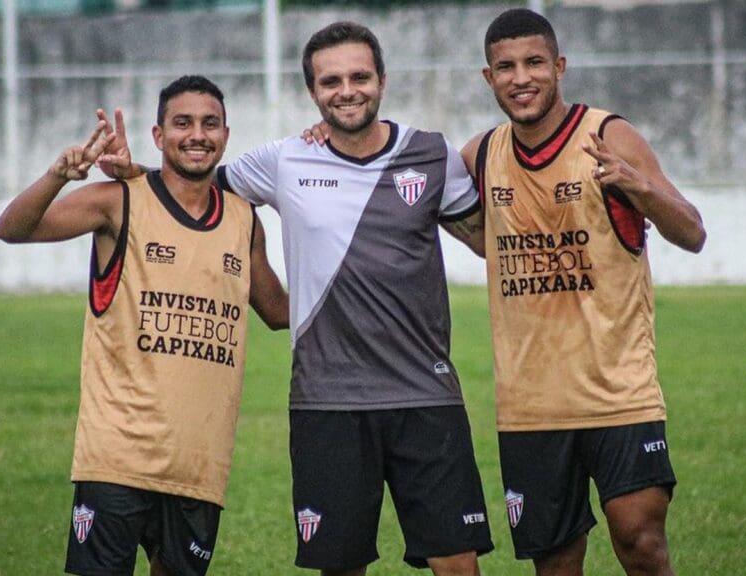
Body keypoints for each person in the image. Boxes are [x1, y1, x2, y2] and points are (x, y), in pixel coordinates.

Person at [97, 22, 493, 576]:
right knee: (339, 566)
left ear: (382, 80)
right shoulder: (285, 160)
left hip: (425, 395)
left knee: (458, 566)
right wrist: (132, 172)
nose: (347, 90)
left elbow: (489, 241)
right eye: (331, 81)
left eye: (359, 76)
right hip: (326, 400)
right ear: (313, 91)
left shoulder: (431, 155)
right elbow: (193, 183)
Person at [0, 75, 288, 576]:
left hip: (198, 463)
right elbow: (13, 229)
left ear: (226, 134)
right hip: (116, 457)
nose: (197, 134)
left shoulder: (245, 221)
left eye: (209, 123)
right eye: (183, 123)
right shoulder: (118, 200)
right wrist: (58, 176)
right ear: (158, 135)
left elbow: (280, 313)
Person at [460, 8, 707, 576]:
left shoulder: (607, 136)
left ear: (560, 66)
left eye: (535, 63)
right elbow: (429, 200)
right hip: (530, 406)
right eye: (506, 67)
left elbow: (692, 232)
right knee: (555, 561)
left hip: (618, 393)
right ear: (488, 77)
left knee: (639, 541)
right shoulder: (480, 156)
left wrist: (639, 185)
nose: (521, 78)